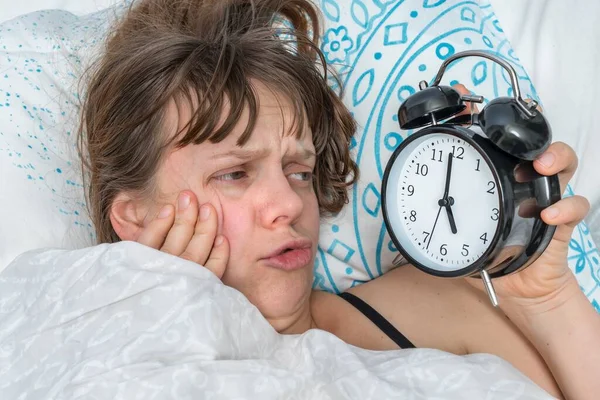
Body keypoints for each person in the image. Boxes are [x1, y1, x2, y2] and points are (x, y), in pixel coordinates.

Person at [77, 0, 600, 398]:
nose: (287, 204)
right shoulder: (91, 351)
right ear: (133, 216)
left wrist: (545, 299)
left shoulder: (437, 304)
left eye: (298, 171)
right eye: (235, 173)